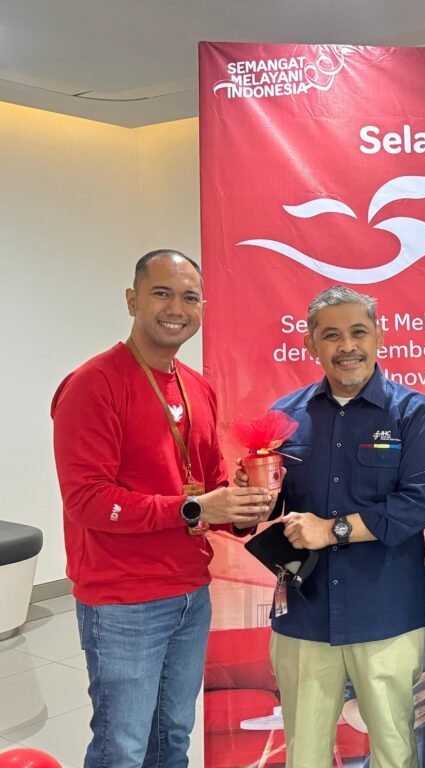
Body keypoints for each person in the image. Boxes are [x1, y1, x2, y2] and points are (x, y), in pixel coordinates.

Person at [51, 249, 275, 768]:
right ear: (132, 301)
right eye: (161, 293)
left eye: (190, 298)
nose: (177, 308)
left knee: (172, 738)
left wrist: (240, 504)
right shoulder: (93, 385)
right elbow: (87, 500)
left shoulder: (199, 387)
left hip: (191, 594)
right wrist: (194, 508)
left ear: (203, 309)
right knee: (122, 748)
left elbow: (209, 486)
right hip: (123, 601)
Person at [249, 285, 425, 768]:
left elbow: (417, 505)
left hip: (386, 612)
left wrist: (332, 529)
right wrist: (250, 496)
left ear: (379, 337)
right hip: (304, 614)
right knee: (305, 754)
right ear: (310, 345)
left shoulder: (414, 413)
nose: (347, 346)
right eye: (332, 335)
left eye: (359, 332)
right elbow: (268, 510)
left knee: (394, 752)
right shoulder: (284, 418)